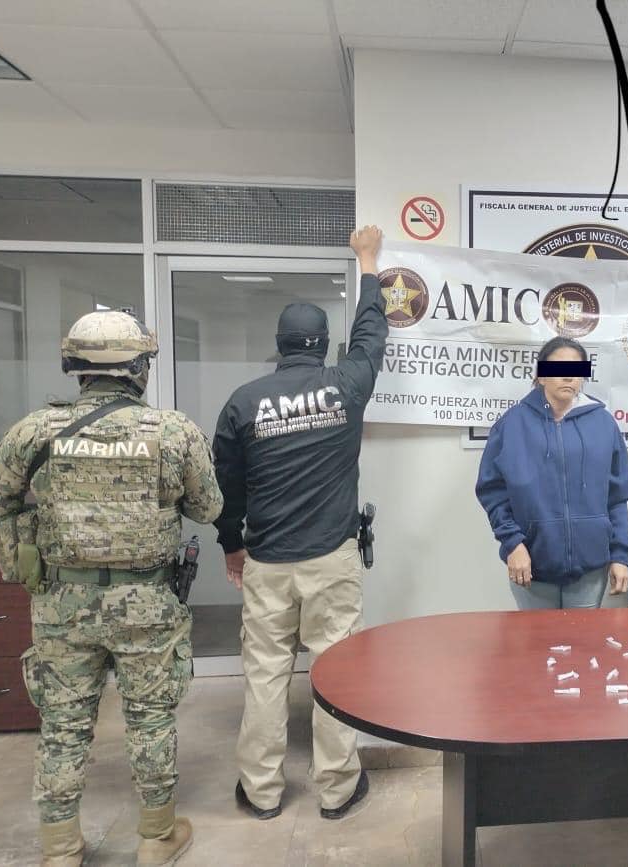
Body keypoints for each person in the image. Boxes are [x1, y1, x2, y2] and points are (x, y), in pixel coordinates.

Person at [0, 311, 223, 867]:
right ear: (139, 367)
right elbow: (209, 508)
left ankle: (61, 849)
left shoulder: (34, 431)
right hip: (147, 603)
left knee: (63, 725)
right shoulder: (173, 432)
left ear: (76, 367)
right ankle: (156, 838)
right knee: (151, 719)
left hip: (62, 604)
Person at [213, 225, 387, 822]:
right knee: (335, 673)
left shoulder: (244, 402)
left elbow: (226, 487)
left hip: (267, 561)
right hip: (331, 559)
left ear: (280, 345)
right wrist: (368, 261)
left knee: (265, 676)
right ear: (324, 344)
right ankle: (336, 789)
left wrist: (231, 545)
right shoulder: (346, 385)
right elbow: (371, 334)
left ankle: (261, 791)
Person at [475, 336, 628, 609]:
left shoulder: (604, 424)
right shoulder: (512, 425)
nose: (568, 377)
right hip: (531, 566)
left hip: (590, 569)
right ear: (540, 375)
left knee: (582, 637)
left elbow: (617, 496)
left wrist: (620, 555)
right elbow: (492, 492)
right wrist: (513, 544)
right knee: (536, 637)